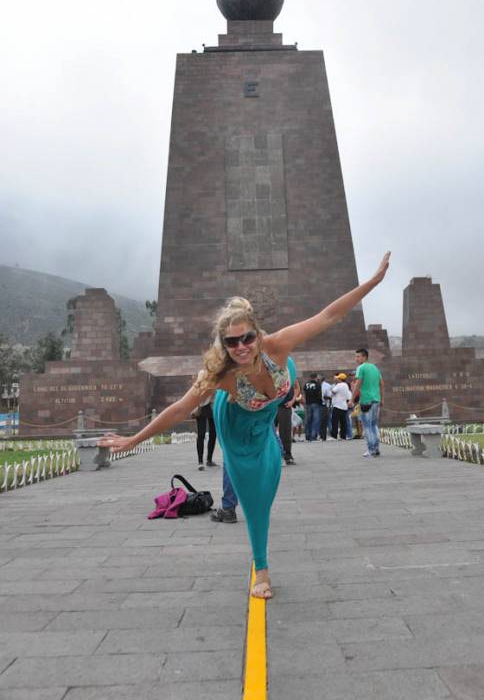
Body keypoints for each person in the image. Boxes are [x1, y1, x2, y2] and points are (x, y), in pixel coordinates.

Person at [99, 252, 390, 599]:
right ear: (223, 345)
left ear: (257, 332)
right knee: (253, 496)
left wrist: (371, 283)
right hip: (236, 423)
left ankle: (270, 441)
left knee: (271, 474)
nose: (241, 347)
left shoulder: (276, 345)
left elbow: (329, 315)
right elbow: (180, 409)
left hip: (268, 408)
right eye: (231, 342)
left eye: (246, 338)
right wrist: (133, 440)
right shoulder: (220, 373)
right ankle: (261, 568)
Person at [352, 348, 384, 457]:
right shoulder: (375, 367)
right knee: (374, 425)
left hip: (366, 401)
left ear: (364, 357)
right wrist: (382, 399)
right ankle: (376, 448)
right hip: (376, 400)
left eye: (358, 356)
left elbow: (358, 384)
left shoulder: (361, 368)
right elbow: (382, 384)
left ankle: (371, 450)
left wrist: (352, 399)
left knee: (367, 426)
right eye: (356, 356)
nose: (356, 358)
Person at [275, 379, 300, 465]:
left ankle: (287, 456)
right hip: (270, 406)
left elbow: (297, 387)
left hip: (284, 406)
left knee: (285, 432)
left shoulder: (290, 369)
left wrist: (293, 400)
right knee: (267, 432)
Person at [195, 396, 217, 470]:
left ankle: (209, 459)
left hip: (213, 405)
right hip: (201, 405)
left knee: (213, 434)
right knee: (201, 434)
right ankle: (200, 462)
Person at [330, 373, 352, 439]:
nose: (337, 379)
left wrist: (331, 389)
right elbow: (348, 396)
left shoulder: (339, 385)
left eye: (338, 378)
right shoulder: (346, 385)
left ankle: (334, 435)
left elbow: (333, 391)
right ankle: (343, 436)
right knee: (343, 422)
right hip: (344, 406)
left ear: (340, 379)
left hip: (337, 406)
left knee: (335, 422)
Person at [303, 373, 322, 441]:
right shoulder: (318, 384)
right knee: (315, 420)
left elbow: (304, 393)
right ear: (316, 377)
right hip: (316, 403)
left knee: (308, 420)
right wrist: (320, 403)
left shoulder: (306, 384)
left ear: (310, 377)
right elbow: (319, 394)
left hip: (308, 403)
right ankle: (314, 436)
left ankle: (307, 435)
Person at [320, 376, 333, 440]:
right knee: (324, 421)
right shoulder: (319, 385)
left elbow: (330, 397)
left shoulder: (327, 385)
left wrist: (330, 406)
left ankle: (331, 434)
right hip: (322, 405)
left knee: (328, 421)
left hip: (326, 405)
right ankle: (323, 436)